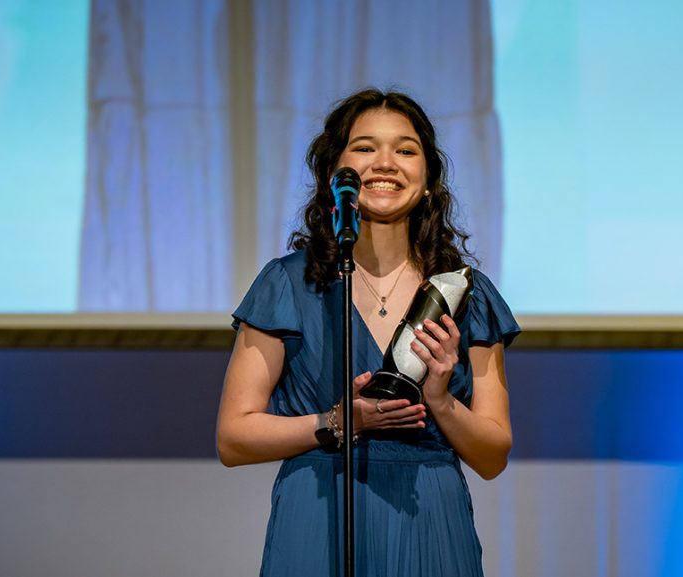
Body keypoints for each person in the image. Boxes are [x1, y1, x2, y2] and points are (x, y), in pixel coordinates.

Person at [216, 88, 520, 576]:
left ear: (428, 180)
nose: (385, 163)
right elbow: (233, 439)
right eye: (364, 147)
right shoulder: (286, 283)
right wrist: (338, 422)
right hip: (318, 514)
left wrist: (440, 399)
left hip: (429, 523)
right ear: (333, 175)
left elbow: (492, 457)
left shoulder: (467, 293)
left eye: (405, 150)